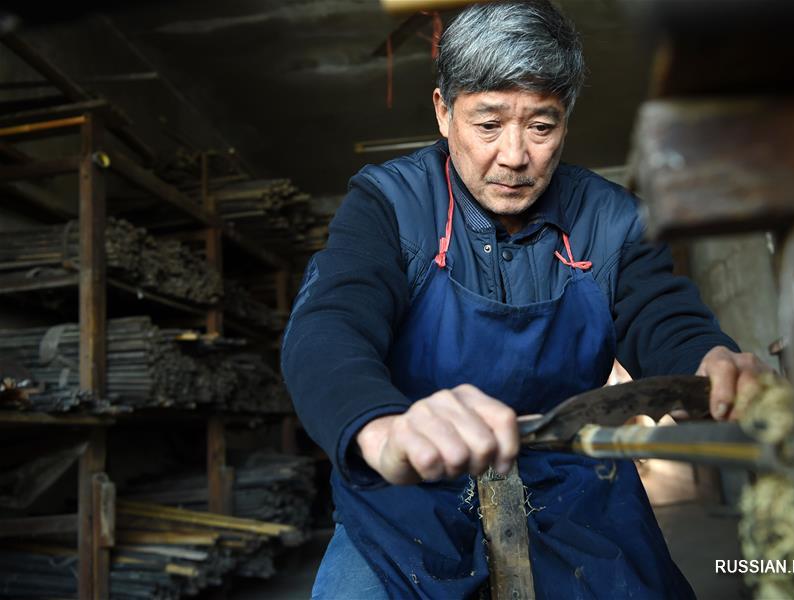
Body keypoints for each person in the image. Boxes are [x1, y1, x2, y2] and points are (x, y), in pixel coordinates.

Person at [282, 1, 767, 597]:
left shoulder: (611, 218)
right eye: (488, 124)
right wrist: (382, 428)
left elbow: (661, 312)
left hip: (573, 483)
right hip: (408, 494)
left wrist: (707, 360)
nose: (515, 157)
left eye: (541, 126)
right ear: (443, 112)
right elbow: (329, 327)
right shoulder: (390, 205)